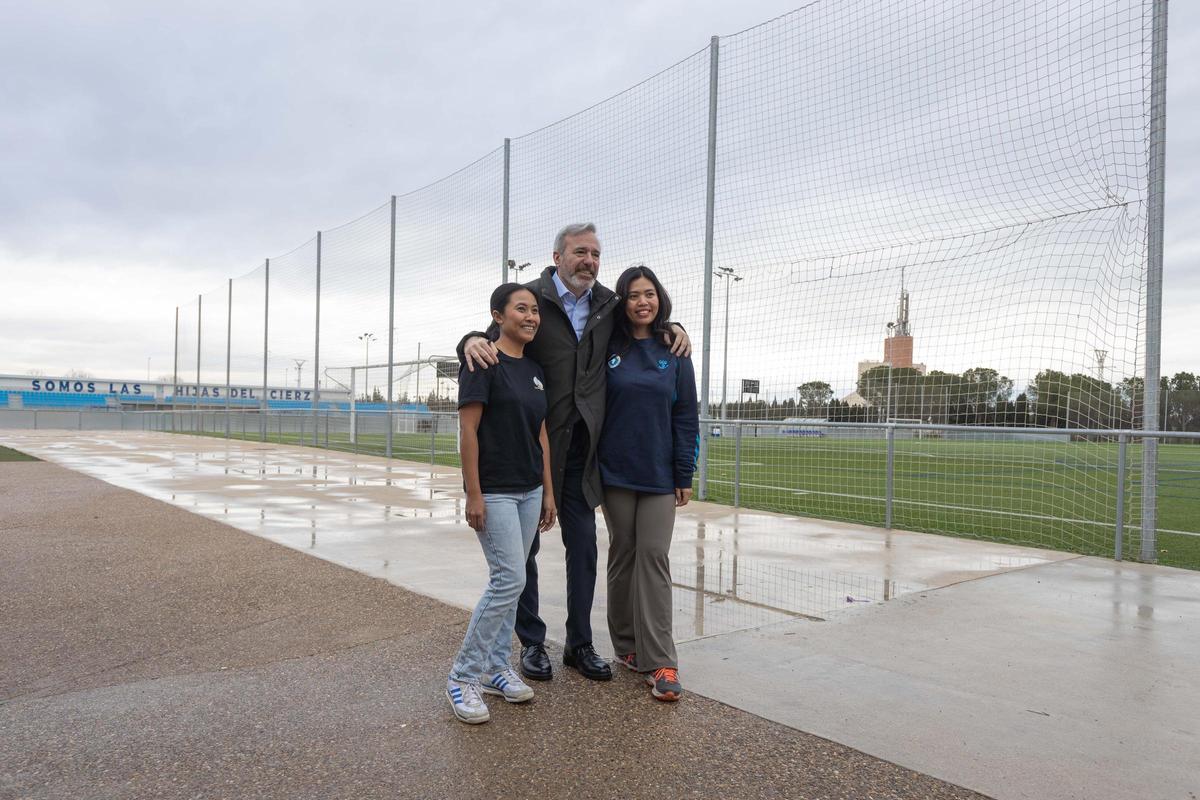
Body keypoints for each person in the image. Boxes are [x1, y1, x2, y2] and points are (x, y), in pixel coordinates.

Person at [459, 223, 690, 683]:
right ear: (557, 255)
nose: (589, 261)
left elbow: (645, 324)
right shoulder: (534, 298)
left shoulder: (608, 304)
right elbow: (491, 337)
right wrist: (467, 339)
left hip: (585, 451)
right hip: (536, 446)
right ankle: (531, 643)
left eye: (596, 254)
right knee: (525, 549)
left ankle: (579, 643)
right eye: (580, 252)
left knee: (583, 546)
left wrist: (673, 325)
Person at [446, 283, 557, 725]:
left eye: (535, 311)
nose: (530, 317)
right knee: (509, 579)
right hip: (494, 489)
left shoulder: (534, 368)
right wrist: (473, 492)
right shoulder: (481, 361)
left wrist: (548, 490)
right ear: (497, 315)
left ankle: (495, 668)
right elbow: (468, 432)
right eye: (521, 309)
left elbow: (541, 433)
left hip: (530, 489)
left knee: (512, 579)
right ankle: (463, 675)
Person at [598, 265, 698, 702]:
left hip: (658, 475)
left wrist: (683, 472)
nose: (643, 301)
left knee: (653, 556)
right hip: (615, 471)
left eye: (650, 294)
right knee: (623, 552)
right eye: (634, 295)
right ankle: (627, 646)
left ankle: (662, 662)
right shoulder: (608, 347)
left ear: (660, 299)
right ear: (622, 301)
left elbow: (686, 416)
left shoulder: (674, 349)